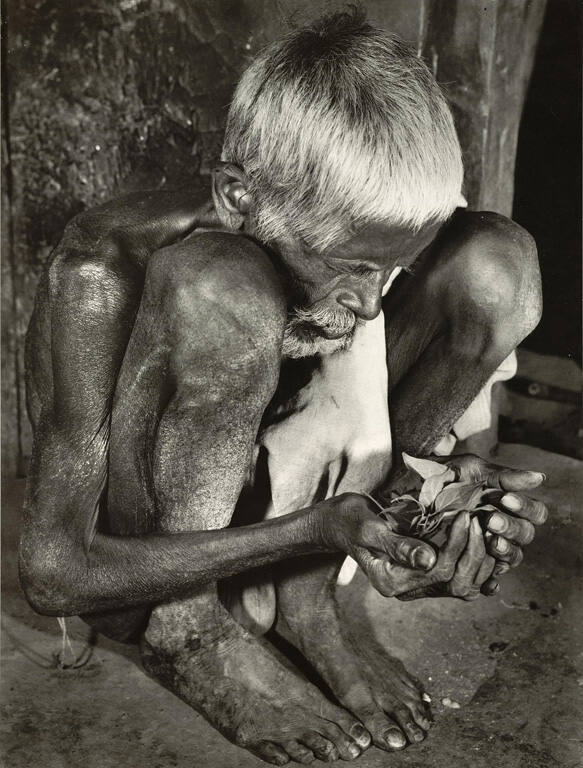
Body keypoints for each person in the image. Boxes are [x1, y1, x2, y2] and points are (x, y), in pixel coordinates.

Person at [20, 10, 547, 765]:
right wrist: (310, 530)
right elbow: (52, 573)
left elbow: (380, 352)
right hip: (156, 554)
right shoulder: (99, 271)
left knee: (498, 264)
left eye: (393, 268)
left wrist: (426, 506)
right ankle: (193, 634)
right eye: (352, 269)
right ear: (236, 196)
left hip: (297, 505)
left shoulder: (361, 228)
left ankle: (307, 597)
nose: (371, 304)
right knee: (221, 286)